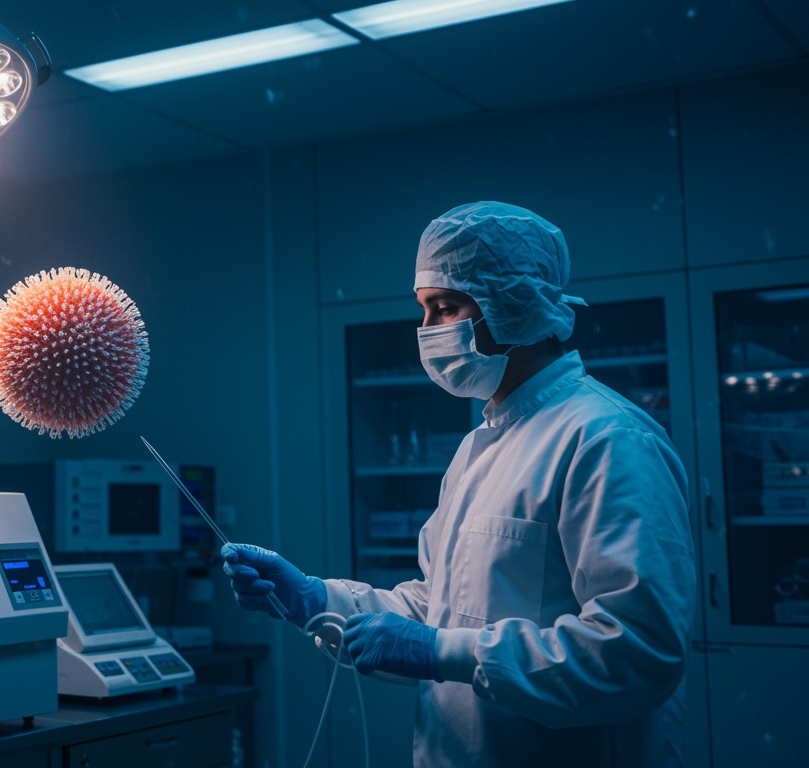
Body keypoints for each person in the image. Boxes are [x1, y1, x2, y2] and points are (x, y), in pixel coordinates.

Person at [223, 201, 696, 767]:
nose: (426, 331)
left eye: (446, 308)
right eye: (423, 310)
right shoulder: (479, 446)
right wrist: (314, 599)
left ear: (514, 305)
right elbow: (441, 608)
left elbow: (636, 653)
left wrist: (442, 652)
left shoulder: (606, 438)